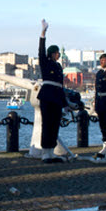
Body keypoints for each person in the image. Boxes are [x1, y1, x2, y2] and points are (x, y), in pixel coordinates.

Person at [37, 19, 69, 163]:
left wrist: (65, 103)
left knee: (54, 124)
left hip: (56, 97)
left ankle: (51, 151)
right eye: (56, 53)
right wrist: (43, 33)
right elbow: (41, 50)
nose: (58, 55)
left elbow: (60, 86)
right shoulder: (45, 62)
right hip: (47, 96)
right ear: (52, 53)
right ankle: (45, 152)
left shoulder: (58, 67)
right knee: (47, 124)